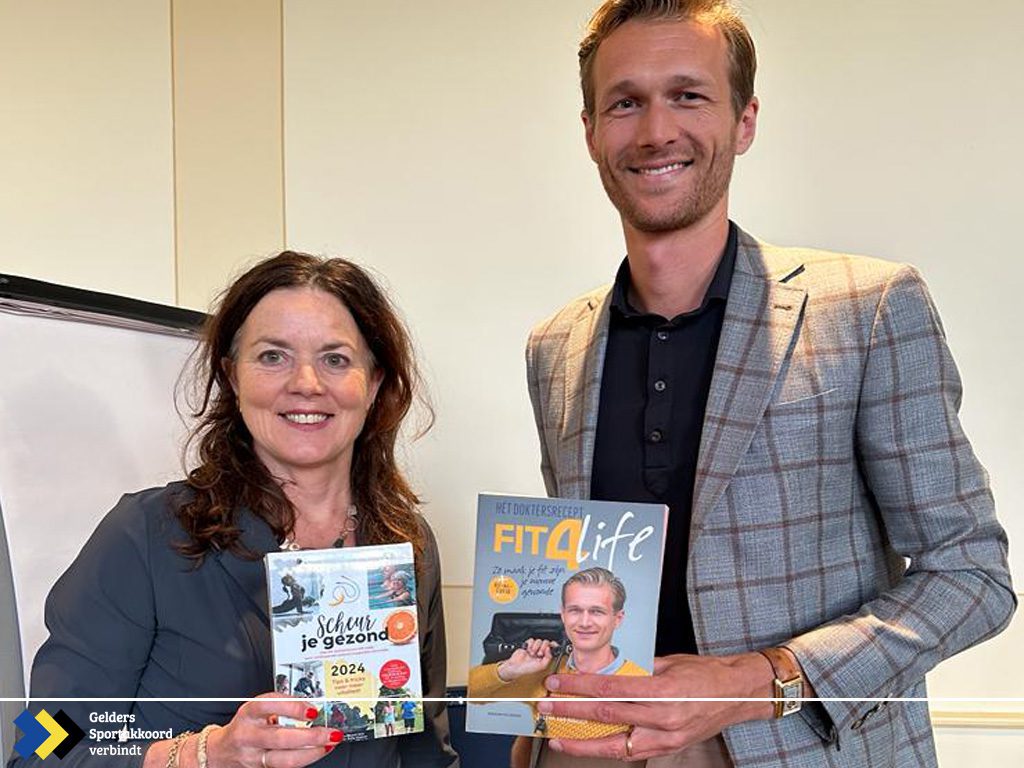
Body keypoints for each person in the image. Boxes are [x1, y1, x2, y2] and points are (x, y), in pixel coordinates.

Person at [523, 2, 1016, 767]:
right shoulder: (554, 346)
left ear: (745, 120)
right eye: (625, 102)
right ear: (590, 131)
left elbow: (972, 576)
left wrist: (757, 681)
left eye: (688, 95)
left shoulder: (869, 306)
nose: (655, 130)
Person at [10, 252, 458, 768]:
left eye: (336, 359)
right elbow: (42, 744)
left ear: (373, 382)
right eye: (273, 356)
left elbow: (427, 754)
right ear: (232, 376)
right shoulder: (147, 534)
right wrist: (206, 754)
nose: (307, 383)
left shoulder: (406, 542)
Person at [469, 568, 646, 739]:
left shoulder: (641, 683)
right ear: (563, 615)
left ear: (618, 619)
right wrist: (509, 669)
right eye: (575, 610)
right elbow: (471, 695)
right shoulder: (545, 672)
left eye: (597, 612)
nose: (584, 622)